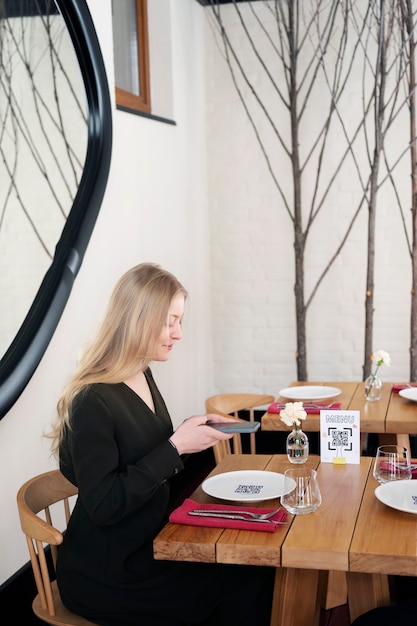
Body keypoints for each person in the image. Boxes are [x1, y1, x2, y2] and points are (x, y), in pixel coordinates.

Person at [48, 263, 275, 626]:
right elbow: (104, 505)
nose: (179, 333)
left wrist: (190, 436)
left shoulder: (140, 371)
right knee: (249, 576)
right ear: (140, 319)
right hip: (110, 573)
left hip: (151, 538)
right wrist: (174, 447)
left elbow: (146, 455)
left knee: (252, 567)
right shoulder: (92, 399)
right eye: (171, 321)